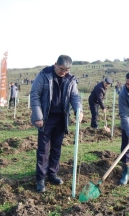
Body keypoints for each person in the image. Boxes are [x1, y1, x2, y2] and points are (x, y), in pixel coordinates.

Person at [30, 55, 83, 193]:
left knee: (56, 148)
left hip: (61, 119)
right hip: (46, 119)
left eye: (67, 70)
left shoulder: (70, 79)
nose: (64, 72)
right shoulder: (44, 75)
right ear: (55, 64)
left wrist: (79, 110)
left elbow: (75, 96)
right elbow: (34, 94)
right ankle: (40, 178)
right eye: (61, 69)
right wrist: (38, 116)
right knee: (43, 150)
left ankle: (52, 174)